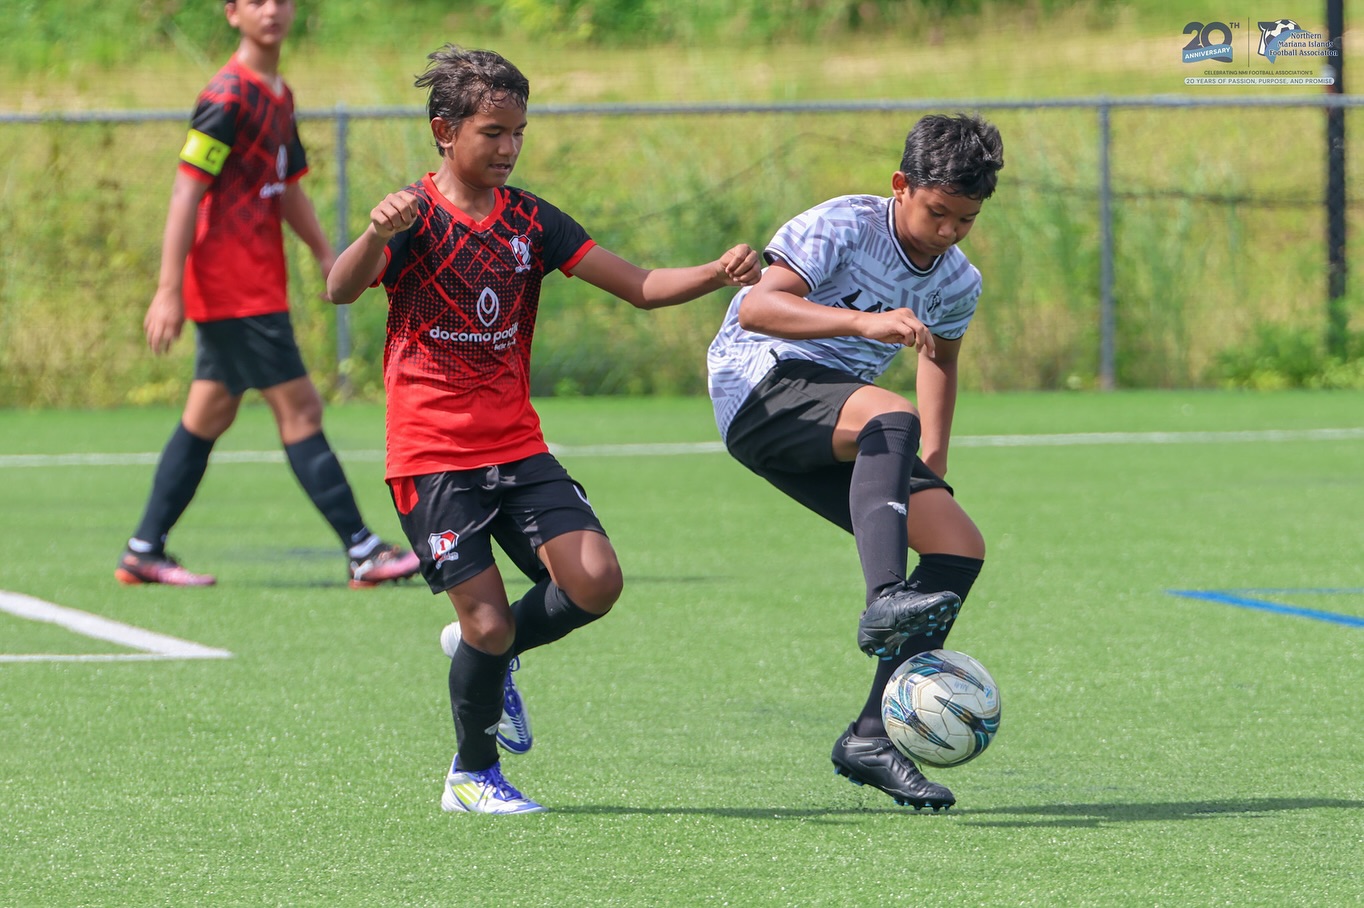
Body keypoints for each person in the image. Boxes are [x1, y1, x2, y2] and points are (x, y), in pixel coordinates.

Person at [327, 45, 761, 815]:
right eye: (492, 132)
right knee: (489, 623)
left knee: (595, 581)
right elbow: (339, 288)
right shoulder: (413, 217)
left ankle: (485, 659)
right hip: (433, 459)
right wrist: (370, 236)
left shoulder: (532, 220)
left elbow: (640, 287)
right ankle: (472, 775)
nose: (507, 148)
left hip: (517, 447)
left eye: (518, 133)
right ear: (444, 130)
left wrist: (714, 274)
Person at [706, 113, 1003, 811]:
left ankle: (872, 737)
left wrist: (933, 456)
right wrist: (866, 322)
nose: (951, 231)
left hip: (855, 422)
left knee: (958, 546)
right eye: (938, 212)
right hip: (761, 385)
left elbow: (941, 358)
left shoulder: (958, 281)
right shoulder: (842, 224)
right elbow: (759, 309)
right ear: (901, 187)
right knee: (887, 411)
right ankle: (882, 601)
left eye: (967, 218)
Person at [115, 0, 420, 590]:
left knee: (210, 412)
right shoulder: (226, 97)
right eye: (256, 1)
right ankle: (363, 550)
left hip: (255, 284)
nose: (272, 10)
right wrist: (167, 289)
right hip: (233, 288)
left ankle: (143, 549)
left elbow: (285, 189)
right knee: (301, 409)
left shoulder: (278, 94)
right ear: (232, 14)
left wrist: (326, 253)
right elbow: (186, 194)